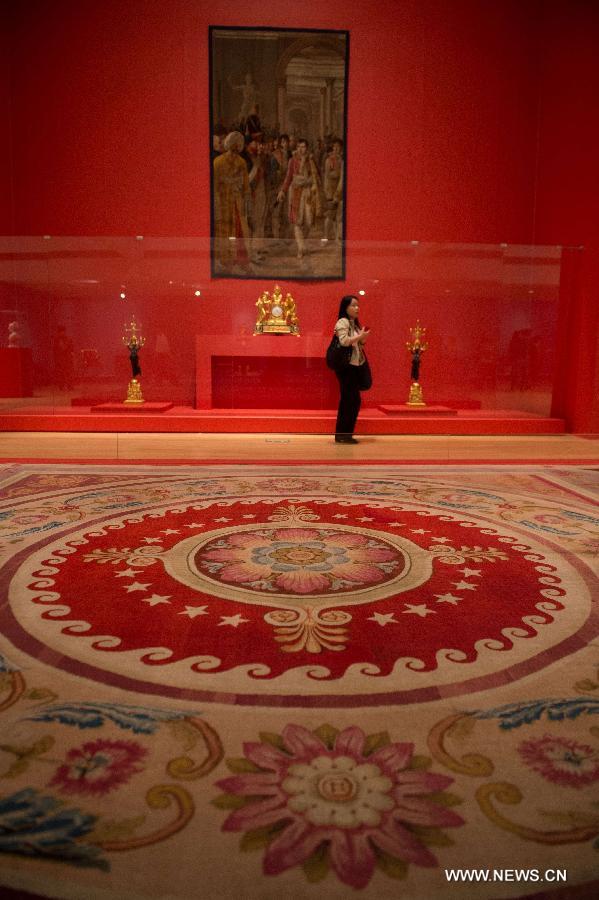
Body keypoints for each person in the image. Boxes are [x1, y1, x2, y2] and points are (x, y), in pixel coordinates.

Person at [333, 295, 370, 443]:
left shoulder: (353, 323)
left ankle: (345, 434)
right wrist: (359, 336)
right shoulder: (342, 322)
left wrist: (362, 338)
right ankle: (343, 435)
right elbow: (344, 342)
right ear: (345, 307)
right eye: (354, 305)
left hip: (354, 366)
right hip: (346, 368)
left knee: (352, 400)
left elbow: (357, 345)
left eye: (358, 305)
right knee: (350, 400)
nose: (357, 308)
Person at [277, 138, 322, 259]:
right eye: (300, 147)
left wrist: (313, 185)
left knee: (308, 221)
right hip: (296, 193)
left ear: (307, 148)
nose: (302, 149)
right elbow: (288, 178)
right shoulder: (292, 161)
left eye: (304, 147)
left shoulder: (311, 161)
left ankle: (303, 244)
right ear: (297, 148)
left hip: (307, 193)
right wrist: (282, 191)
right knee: (297, 221)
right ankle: (301, 247)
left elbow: (317, 176)